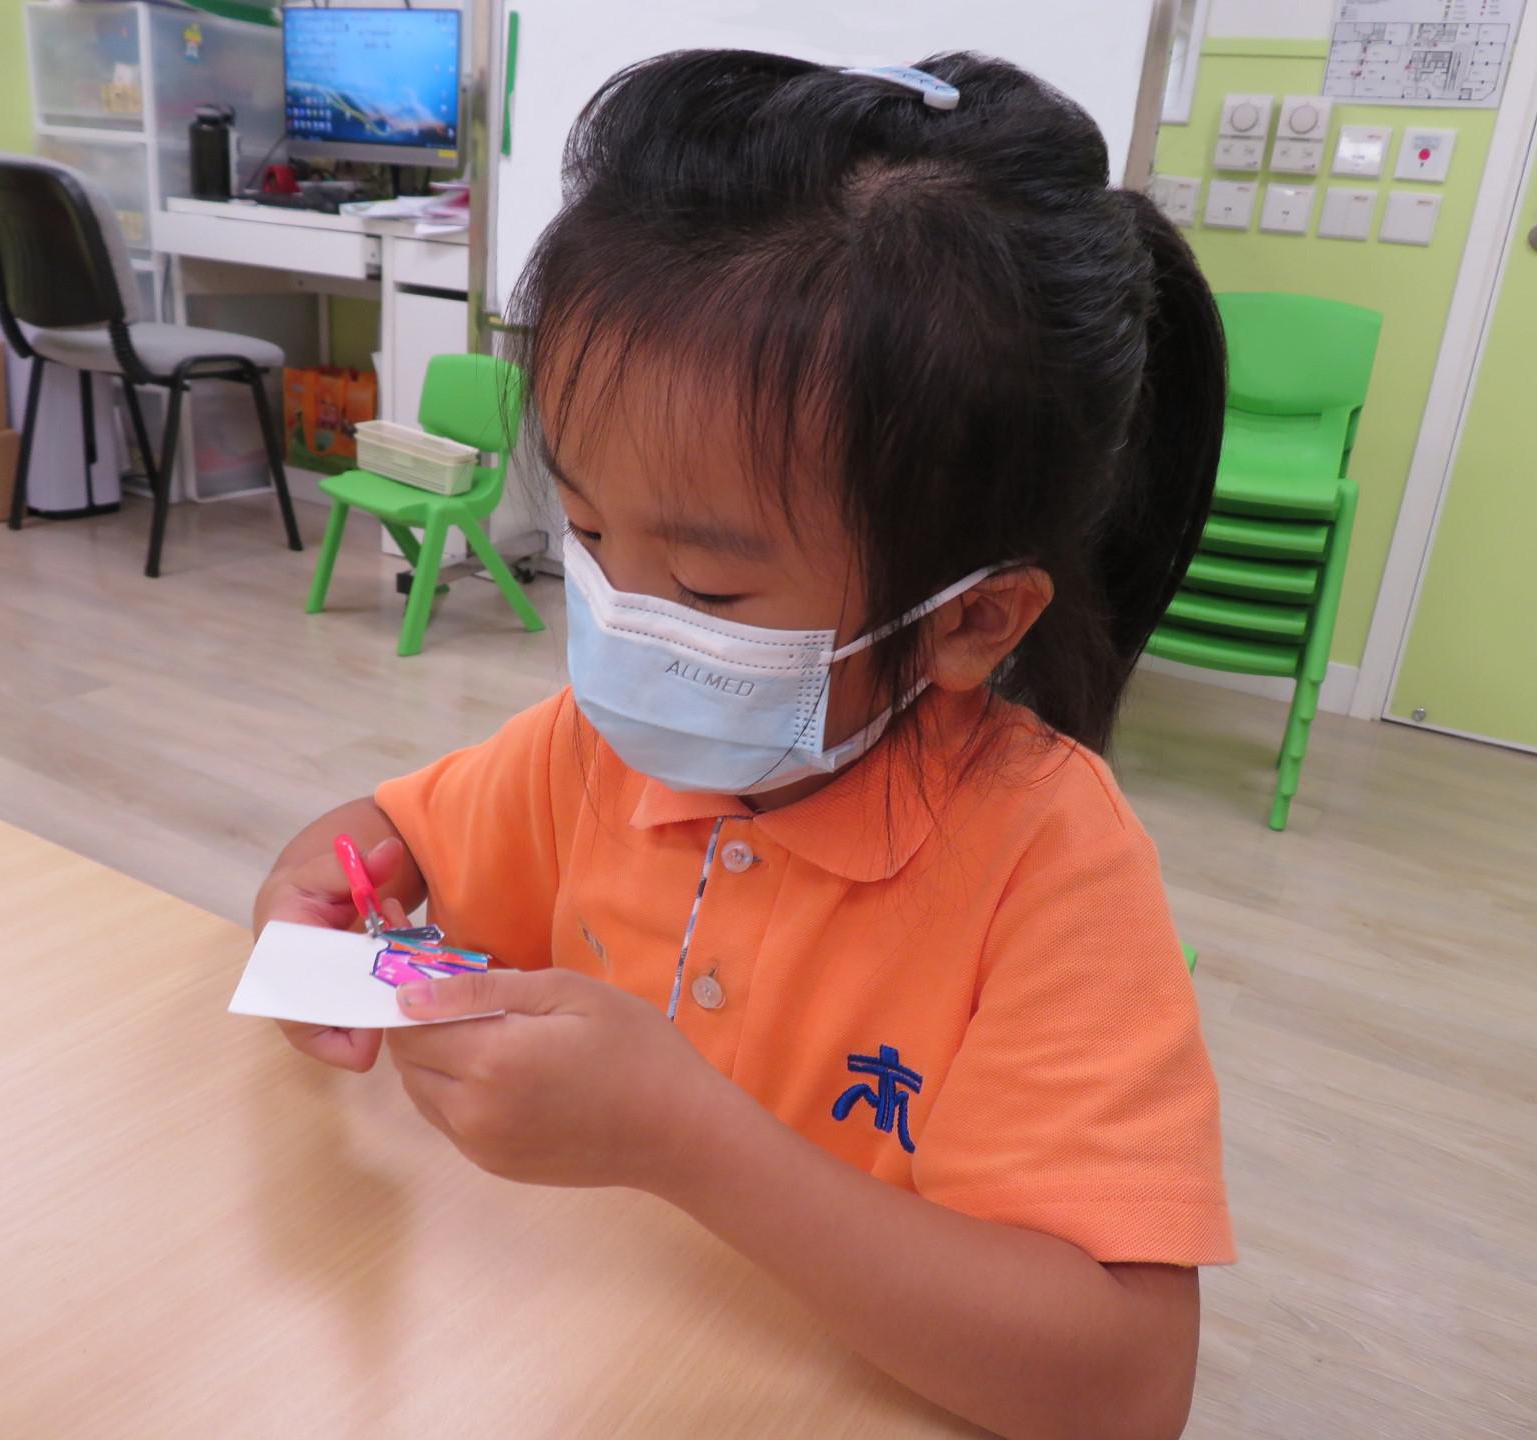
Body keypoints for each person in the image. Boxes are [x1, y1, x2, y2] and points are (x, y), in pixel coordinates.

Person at [254, 50, 1231, 1440]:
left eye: (709, 590)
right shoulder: (600, 751)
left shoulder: (1048, 863)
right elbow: (393, 837)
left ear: (968, 622)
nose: (621, 617)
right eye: (590, 534)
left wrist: (684, 1140)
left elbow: (1122, 1387)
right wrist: (323, 885)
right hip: (578, 1366)